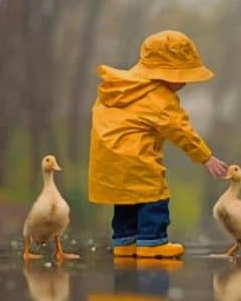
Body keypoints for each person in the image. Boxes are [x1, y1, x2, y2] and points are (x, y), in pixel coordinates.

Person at [88, 30, 227, 259]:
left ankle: (124, 242)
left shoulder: (116, 85)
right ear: (166, 74)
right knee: (154, 196)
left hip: (107, 159)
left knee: (125, 199)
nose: (184, 83)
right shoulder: (158, 97)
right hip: (136, 158)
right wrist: (205, 156)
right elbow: (180, 130)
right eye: (182, 76)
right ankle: (153, 242)